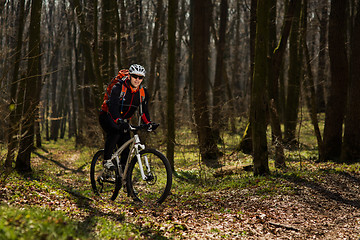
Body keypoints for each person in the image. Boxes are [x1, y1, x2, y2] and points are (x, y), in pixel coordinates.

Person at [99, 64, 152, 171]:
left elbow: (144, 112)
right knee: (115, 132)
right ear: (129, 76)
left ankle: (123, 175)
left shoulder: (142, 92)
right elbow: (113, 108)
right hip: (107, 116)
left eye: (140, 77)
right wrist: (118, 120)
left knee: (126, 149)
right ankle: (107, 160)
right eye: (134, 76)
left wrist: (149, 123)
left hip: (123, 120)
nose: (137, 80)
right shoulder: (118, 88)